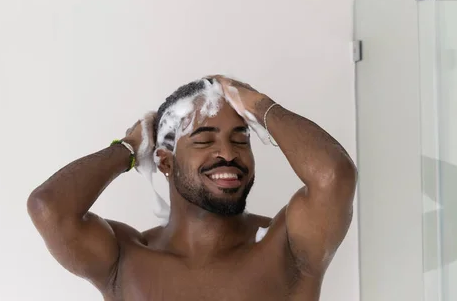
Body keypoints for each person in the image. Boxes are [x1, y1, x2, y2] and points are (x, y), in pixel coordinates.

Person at [27, 75, 357, 301]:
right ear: (166, 162)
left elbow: (334, 175)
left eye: (240, 139)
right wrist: (128, 148)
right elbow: (49, 208)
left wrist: (259, 105)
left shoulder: (284, 247)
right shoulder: (126, 257)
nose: (228, 154)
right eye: (204, 140)